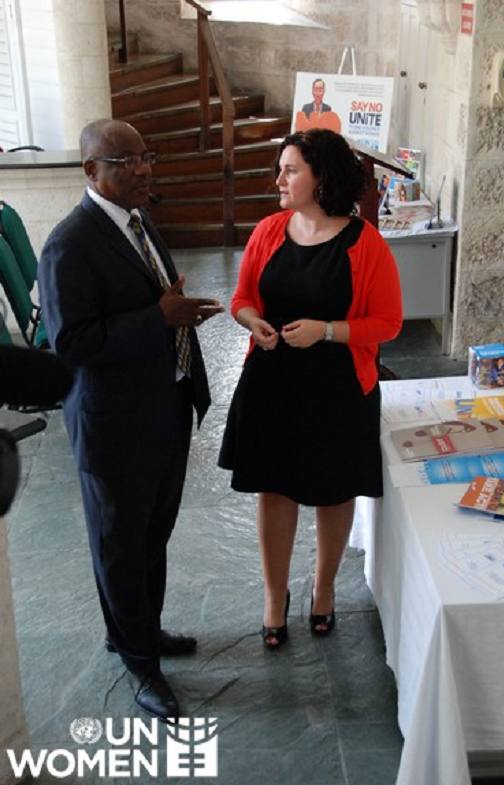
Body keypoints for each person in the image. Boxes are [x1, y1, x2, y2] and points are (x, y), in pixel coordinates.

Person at [38, 118, 224, 719]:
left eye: (147, 156)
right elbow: (71, 343)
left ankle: (143, 632)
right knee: (119, 545)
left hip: (163, 408)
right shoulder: (70, 243)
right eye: (126, 161)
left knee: (151, 536)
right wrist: (161, 318)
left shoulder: (139, 221)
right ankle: (140, 666)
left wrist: (172, 315)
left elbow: (151, 303)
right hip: (114, 425)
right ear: (92, 171)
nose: (143, 169)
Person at [218, 129, 402, 648]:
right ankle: (275, 597)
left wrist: (326, 331)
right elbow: (242, 297)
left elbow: (387, 322)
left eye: (290, 169)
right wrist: (251, 320)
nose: (278, 179)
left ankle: (323, 591)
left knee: (332, 490)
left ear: (321, 178)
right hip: (273, 380)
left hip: (338, 386)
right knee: (274, 489)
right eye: (280, 169)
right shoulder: (269, 230)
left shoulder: (364, 242)